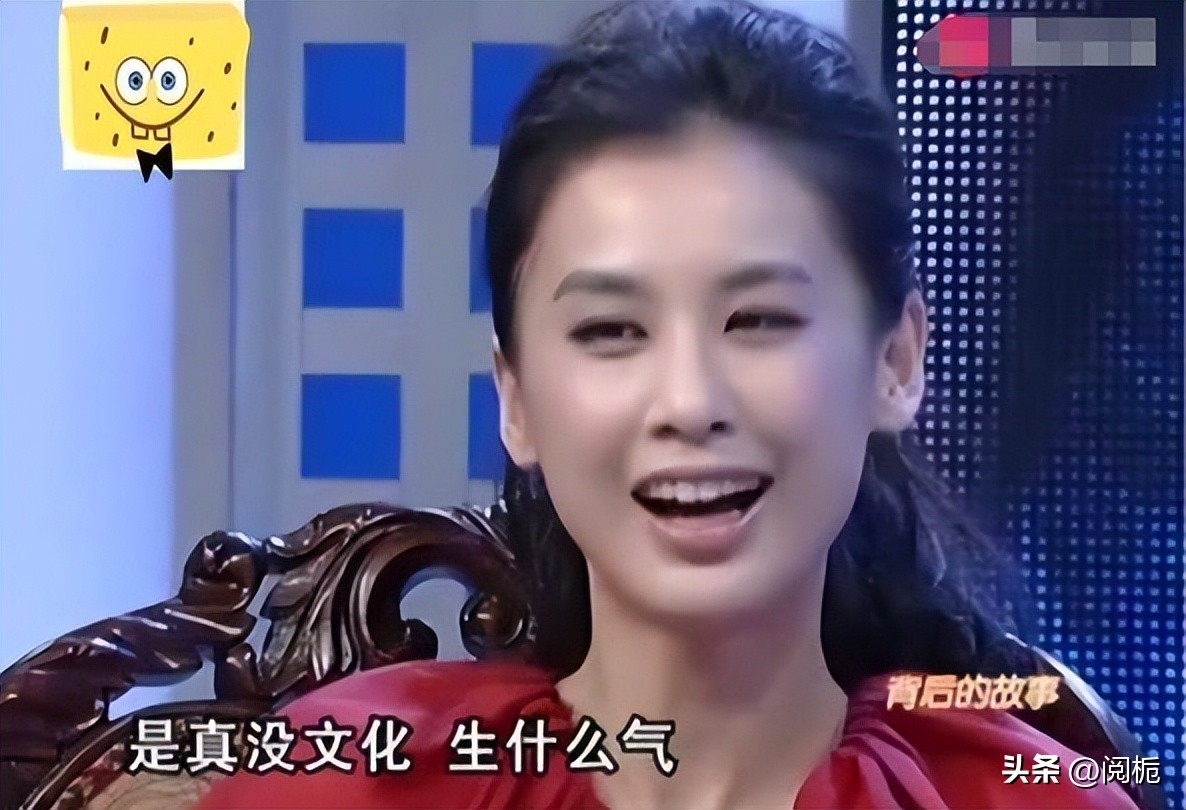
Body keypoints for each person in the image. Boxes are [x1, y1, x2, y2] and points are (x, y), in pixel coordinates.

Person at [197, 2, 1140, 807]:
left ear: (894, 360)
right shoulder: (341, 784)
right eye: (612, 330)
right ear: (515, 396)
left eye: (759, 319)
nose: (689, 402)